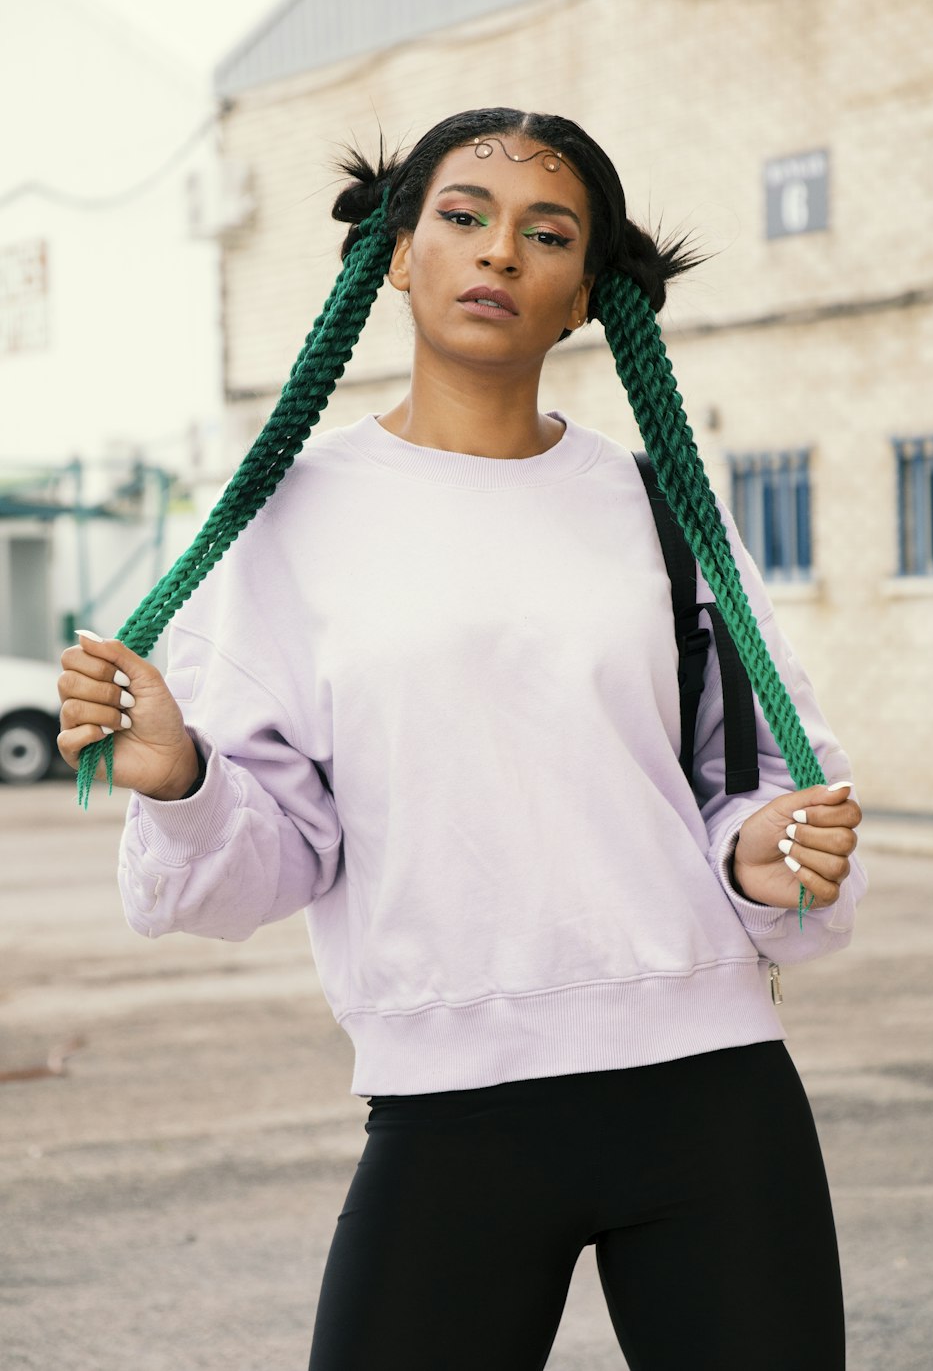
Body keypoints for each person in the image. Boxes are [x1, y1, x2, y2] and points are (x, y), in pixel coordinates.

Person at [56, 106, 866, 1370]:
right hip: (447, 1114)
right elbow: (275, 858)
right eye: (463, 218)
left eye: (546, 234)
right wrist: (184, 778)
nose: (498, 254)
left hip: (710, 1095)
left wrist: (763, 853)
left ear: (583, 293)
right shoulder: (289, 520)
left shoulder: (659, 510)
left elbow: (749, 779)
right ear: (397, 252)